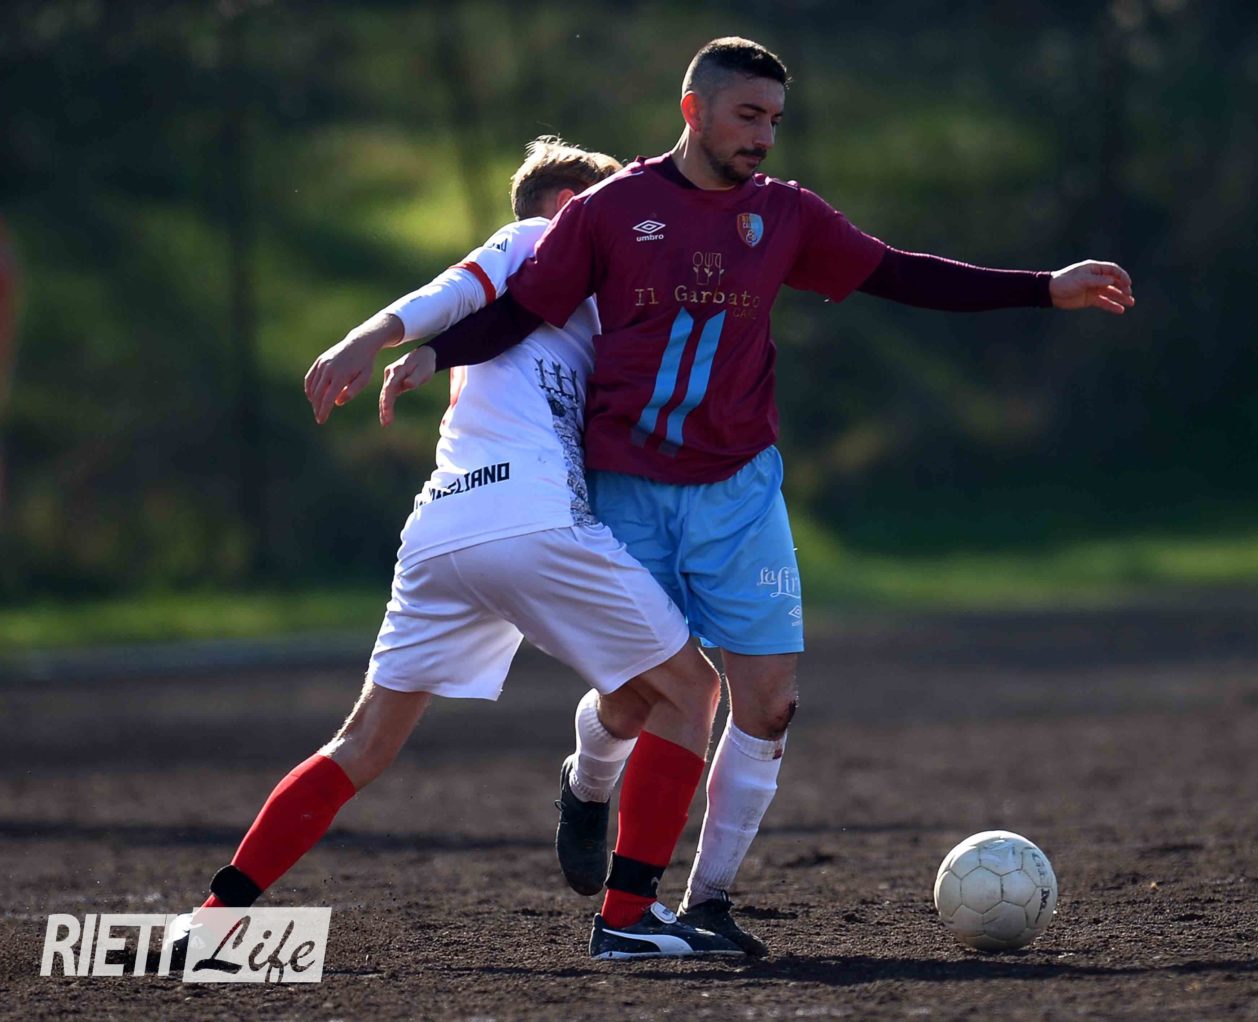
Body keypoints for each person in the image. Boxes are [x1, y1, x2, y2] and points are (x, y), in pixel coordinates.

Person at [325, 36, 1135, 957]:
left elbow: (896, 272)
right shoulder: (609, 210)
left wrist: (1042, 289)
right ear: (693, 110)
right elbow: (522, 309)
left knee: (770, 702)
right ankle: (588, 781)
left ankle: (705, 902)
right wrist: (433, 353)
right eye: (748, 115)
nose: (763, 136)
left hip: (741, 489)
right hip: (629, 484)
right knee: (643, 700)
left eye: (774, 121)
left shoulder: (783, 214)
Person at [177, 137, 743, 962]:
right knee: (693, 690)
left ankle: (213, 922)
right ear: (569, 209)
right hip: (530, 519)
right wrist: (371, 337)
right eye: (612, 206)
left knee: (363, 743)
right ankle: (628, 918)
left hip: (442, 530)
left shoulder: (587, 302)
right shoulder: (540, 239)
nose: (627, 221)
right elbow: (457, 287)